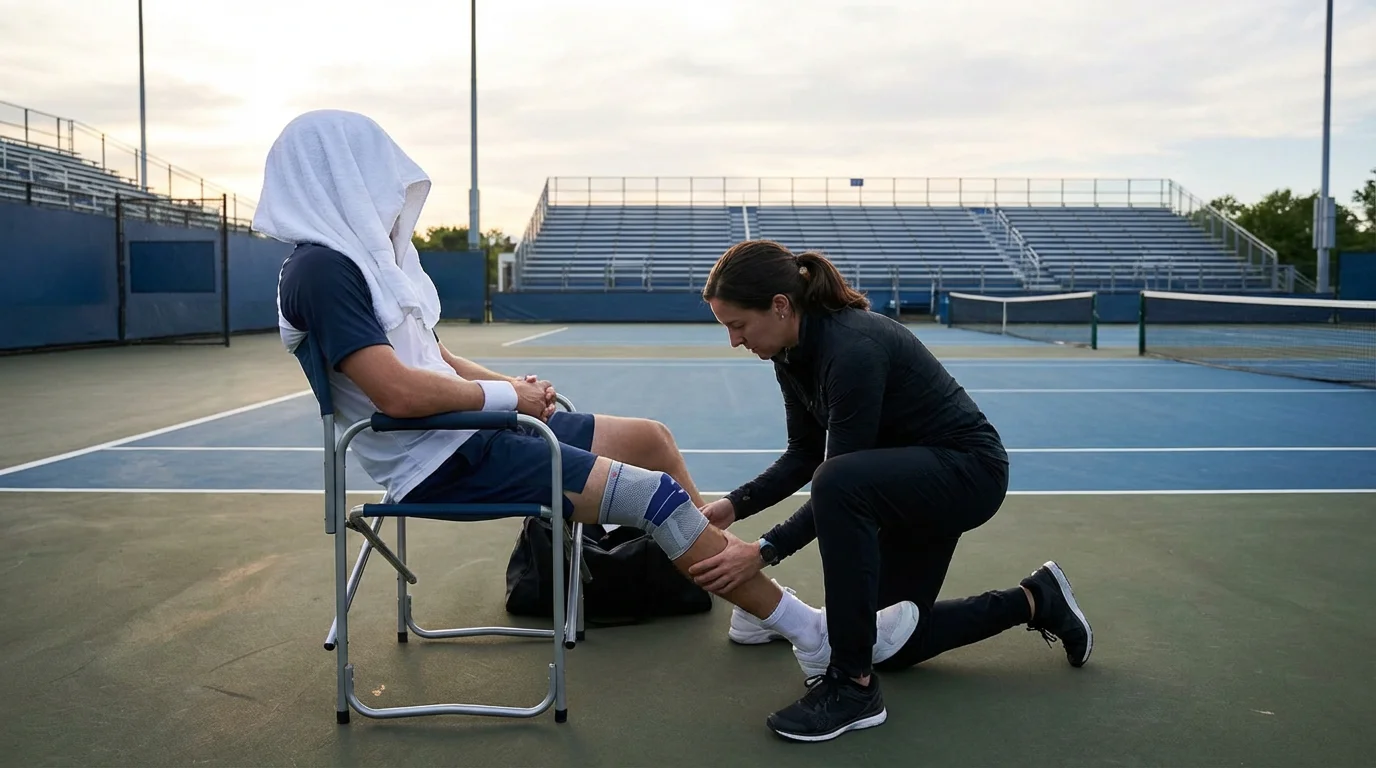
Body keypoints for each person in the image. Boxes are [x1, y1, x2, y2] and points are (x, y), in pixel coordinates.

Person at [251, 110, 910, 741]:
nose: (393, 197)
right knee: (656, 499)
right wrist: (506, 399)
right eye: (377, 179)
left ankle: (743, 602)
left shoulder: (362, 264)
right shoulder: (322, 270)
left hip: (472, 435)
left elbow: (436, 359)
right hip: (440, 460)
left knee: (650, 439)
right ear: (339, 178)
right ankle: (807, 631)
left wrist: (514, 389)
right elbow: (395, 392)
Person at [688, 239, 1094, 742]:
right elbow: (804, 453)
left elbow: (837, 479)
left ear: (780, 305)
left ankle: (853, 688)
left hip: (967, 473)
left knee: (839, 486)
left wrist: (763, 552)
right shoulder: (790, 353)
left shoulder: (852, 348)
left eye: (737, 326)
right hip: (904, 486)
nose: (734, 341)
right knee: (892, 642)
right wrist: (732, 506)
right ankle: (1037, 599)